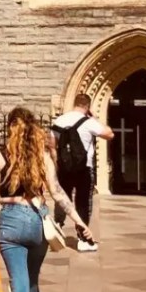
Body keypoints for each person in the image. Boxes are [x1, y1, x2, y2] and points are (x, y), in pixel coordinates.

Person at [0, 106, 94, 292]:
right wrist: (79, 221)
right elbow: (57, 193)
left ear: (10, 128)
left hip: (11, 220)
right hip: (37, 219)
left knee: (19, 281)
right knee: (31, 280)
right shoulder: (42, 157)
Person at [50, 92, 113, 252]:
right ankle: (83, 239)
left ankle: (57, 228)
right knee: (83, 203)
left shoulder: (59, 120)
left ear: (75, 103)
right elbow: (109, 134)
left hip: (64, 167)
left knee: (61, 198)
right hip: (84, 168)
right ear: (87, 106)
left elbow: (52, 145)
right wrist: (94, 119)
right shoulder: (89, 122)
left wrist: (58, 163)